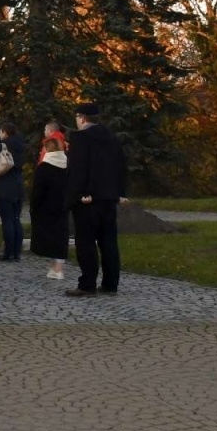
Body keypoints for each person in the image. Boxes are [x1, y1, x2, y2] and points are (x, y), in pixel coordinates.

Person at [64, 102, 126, 297]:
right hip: (108, 197)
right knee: (109, 241)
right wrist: (120, 192)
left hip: (87, 199)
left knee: (86, 242)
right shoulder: (112, 138)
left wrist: (78, 194)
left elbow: (78, 169)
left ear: (82, 117)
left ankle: (87, 284)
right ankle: (110, 283)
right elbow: (121, 166)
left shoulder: (81, 138)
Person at [30, 137, 70, 280]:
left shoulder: (44, 168)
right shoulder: (67, 165)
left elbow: (37, 191)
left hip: (46, 207)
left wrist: (34, 205)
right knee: (61, 236)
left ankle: (56, 268)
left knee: (50, 237)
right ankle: (57, 267)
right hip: (63, 205)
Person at [0, 123, 27, 261]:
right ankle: (17, 253)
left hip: (4, 186)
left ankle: (8, 252)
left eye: (0, 131)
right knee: (16, 219)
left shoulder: (2, 146)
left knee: (7, 220)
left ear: (5, 132)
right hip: (18, 185)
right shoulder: (21, 147)